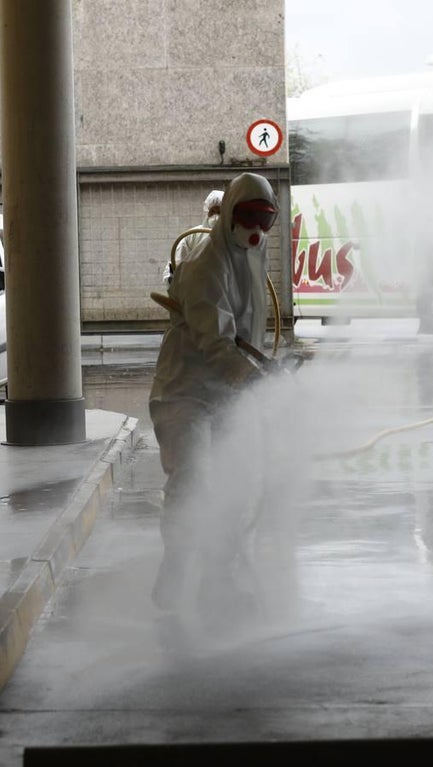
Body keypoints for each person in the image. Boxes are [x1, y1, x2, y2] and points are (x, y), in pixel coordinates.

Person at [149, 172, 279, 614]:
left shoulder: (249, 258)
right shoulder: (208, 264)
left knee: (235, 487)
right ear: (227, 217)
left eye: (266, 218)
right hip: (185, 393)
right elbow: (216, 343)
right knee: (193, 482)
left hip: (226, 394)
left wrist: (257, 371)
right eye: (248, 217)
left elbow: (249, 334)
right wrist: (252, 377)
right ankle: (176, 571)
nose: (256, 228)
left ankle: (218, 581)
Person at [164, 189, 223, 285]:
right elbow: (177, 263)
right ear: (207, 212)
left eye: (219, 212)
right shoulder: (192, 236)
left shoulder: (235, 236)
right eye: (212, 211)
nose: (215, 216)